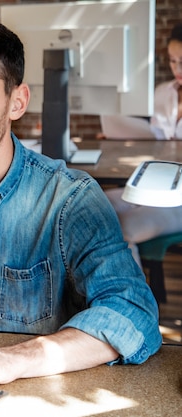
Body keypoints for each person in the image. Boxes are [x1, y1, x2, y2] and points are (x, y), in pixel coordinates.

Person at [0, 20, 162, 388]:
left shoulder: (69, 198)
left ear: (17, 102)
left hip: (40, 390)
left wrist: (16, 358)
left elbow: (133, 313)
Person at [105, 23, 182, 265]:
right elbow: (154, 137)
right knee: (92, 205)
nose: (177, 68)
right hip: (153, 186)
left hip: (179, 199)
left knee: (119, 229)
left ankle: (135, 301)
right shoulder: (162, 93)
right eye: (172, 61)